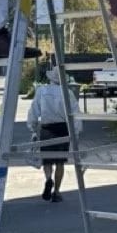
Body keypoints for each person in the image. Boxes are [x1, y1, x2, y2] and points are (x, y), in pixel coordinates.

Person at [27, 65, 79, 202]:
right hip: (62, 129)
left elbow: (34, 110)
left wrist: (32, 127)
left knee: (47, 160)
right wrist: (76, 131)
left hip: (46, 128)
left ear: (50, 78)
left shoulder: (42, 91)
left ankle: (49, 179)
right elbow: (75, 114)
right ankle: (57, 191)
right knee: (60, 162)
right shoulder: (68, 93)